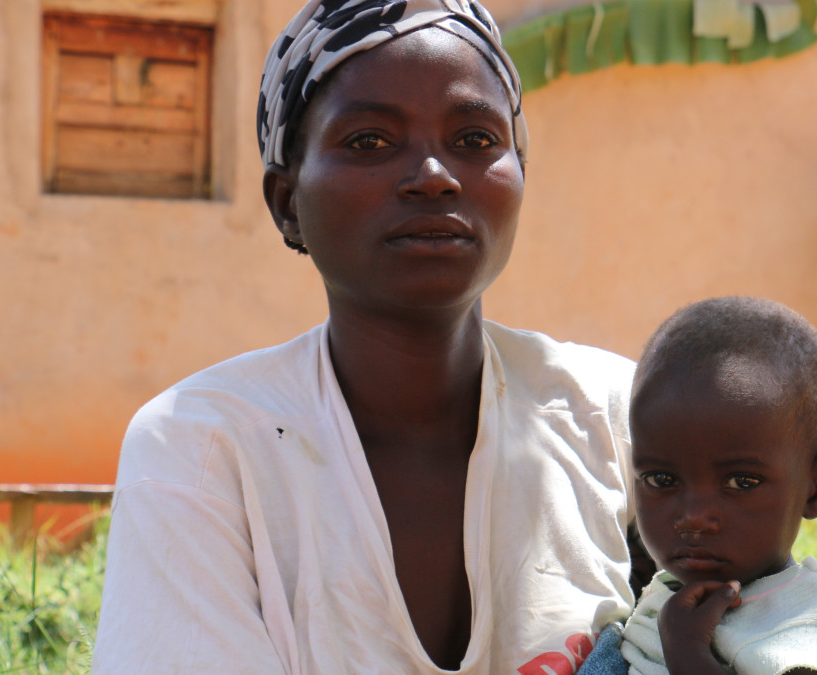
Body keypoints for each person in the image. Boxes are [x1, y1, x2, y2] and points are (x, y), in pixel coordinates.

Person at [91, 1, 639, 672]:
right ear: (287, 202)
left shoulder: (619, 416)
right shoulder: (203, 446)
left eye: (474, 140)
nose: (435, 175)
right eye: (369, 141)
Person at [580, 297, 817, 675]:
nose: (693, 516)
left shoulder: (812, 626)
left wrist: (688, 656)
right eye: (662, 480)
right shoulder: (669, 585)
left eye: (742, 482)